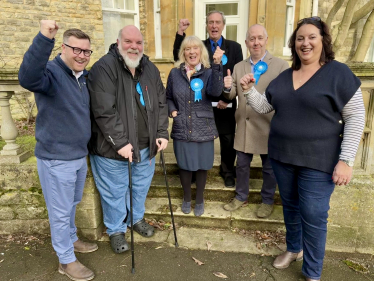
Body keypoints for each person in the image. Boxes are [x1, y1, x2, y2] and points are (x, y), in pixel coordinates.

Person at [240, 17, 365, 281]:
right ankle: (294, 249)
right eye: (299, 38)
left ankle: (312, 271)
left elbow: (355, 117)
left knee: (314, 214)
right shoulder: (285, 77)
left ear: (323, 41)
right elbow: (265, 107)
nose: (305, 43)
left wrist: (346, 160)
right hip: (282, 158)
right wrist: (250, 91)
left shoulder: (338, 73)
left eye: (311, 37)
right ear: (294, 44)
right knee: (291, 207)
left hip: (319, 161)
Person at [18, 20, 97, 281]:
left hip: (76, 156)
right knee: (60, 212)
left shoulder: (82, 77)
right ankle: (65, 260)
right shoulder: (50, 73)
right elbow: (27, 77)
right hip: (56, 159)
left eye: (86, 51)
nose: (82, 56)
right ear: (63, 47)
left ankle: (71, 240)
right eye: (77, 50)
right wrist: (44, 37)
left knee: (71, 205)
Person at [87, 25, 169, 254]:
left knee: (140, 188)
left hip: (147, 147)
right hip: (112, 150)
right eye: (129, 42)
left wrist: (162, 133)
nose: (134, 47)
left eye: (138, 43)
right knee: (114, 191)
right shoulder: (104, 68)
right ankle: (115, 229)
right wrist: (121, 142)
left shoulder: (150, 69)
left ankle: (135, 219)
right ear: (118, 42)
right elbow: (103, 110)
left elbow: (161, 103)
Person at [223, 24, 289, 218]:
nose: (256, 42)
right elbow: (231, 96)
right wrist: (227, 88)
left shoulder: (281, 66)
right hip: (244, 125)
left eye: (260, 38)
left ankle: (267, 201)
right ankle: (240, 196)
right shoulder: (238, 67)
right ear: (246, 43)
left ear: (266, 40)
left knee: (269, 169)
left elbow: (284, 97)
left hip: (269, 126)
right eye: (252, 39)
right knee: (242, 166)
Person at [173, 11, 243, 187]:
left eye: (217, 22)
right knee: (198, 140)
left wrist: (227, 98)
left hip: (225, 103)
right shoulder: (200, 45)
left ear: (223, 25)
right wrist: (180, 33)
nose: (214, 26)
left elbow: (237, 74)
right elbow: (179, 55)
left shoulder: (234, 47)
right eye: (210, 22)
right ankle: (196, 170)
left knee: (227, 139)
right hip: (201, 103)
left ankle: (227, 170)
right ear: (206, 25)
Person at [166, 35, 224, 216]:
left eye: (195, 48)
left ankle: (199, 199)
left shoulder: (208, 71)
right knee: (184, 165)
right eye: (187, 49)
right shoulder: (175, 73)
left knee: (201, 165)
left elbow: (215, 92)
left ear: (201, 51)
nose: (192, 52)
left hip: (203, 126)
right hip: (182, 124)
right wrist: (173, 110)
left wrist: (216, 66)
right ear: (183, 53)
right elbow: (168, 96)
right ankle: (186, 198)